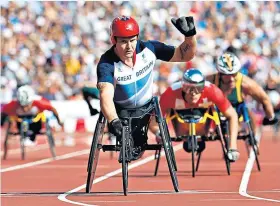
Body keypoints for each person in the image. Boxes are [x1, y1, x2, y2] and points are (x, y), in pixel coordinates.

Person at [97, 15, 197, 160]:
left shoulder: (149, 48)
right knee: (131, 146)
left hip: (147, 110)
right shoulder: (106, 63)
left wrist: (190, 36)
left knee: (139, 141)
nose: (129, 47)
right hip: (122, 113)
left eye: (132, 40)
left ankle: (148, 136)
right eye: (124, 42)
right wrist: (113, 121)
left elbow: (184, 55)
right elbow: (105, 95)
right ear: (114, 40)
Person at [151, 68, 240, 161]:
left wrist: (232, 147)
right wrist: (158, 132)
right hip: (180, 122)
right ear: (182, 86)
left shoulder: (213, 91)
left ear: (203, 87)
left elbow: (232, 115)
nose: (193, 93)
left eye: (198, 88)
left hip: (204, 122)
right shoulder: (170, 94)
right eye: (188, 88)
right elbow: (153, 120)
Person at [207, 52, 278, 134]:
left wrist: (270, 117)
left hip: (237, 107)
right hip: (216, 108)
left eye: (234, 74)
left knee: (250, 113)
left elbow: (264, 98)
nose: (231, 79)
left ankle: (252, 138)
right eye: (227, 75)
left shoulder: (246, 82)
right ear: (220, 73)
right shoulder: (211, 80)